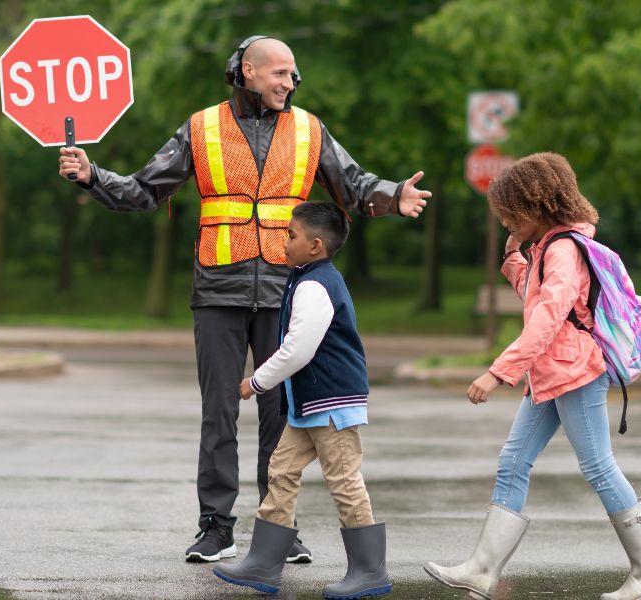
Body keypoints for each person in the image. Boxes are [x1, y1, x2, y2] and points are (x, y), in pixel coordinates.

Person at [58, 36, 431, 563]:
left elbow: (353, 184)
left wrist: (395, 195)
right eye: (279, 73)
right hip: (217, 289)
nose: (290, 82)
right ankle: (216, 528)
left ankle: (281, 528)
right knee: (219, 413)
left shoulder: (309, 128)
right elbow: (145, 189)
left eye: (294, 75)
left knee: (284, 415)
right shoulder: (201, 127)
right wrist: (92, 175)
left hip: (287, 289)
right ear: (246, 71)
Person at [423, 153, 641, 600]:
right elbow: (537, 298)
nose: (503, 223)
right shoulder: (549, 248)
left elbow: (548, 319)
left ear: (534, 209)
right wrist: (515, 257)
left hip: (574, 372)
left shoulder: (562, 249)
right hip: (551, 374)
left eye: (508, 217)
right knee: (513, 463)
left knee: (597, 466)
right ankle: (481, 571)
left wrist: (498, 373)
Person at [213, 202, 390, 599]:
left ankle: (369, 570)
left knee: (344, 480)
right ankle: (263, 562)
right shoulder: (305, 277)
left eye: (291, 234)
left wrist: (257, 381)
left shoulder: (315, 284)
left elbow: (299, 349)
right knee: (282, 469)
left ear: (314, 246)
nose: (284, 240)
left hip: (332, 402)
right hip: (310, 405)